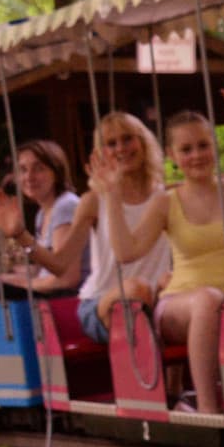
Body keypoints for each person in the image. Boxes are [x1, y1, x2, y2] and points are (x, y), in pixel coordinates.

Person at [96, 110, 224, 413]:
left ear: (214, 146)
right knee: (208, 299)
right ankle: (209, 410)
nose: (196, 155)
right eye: (186, 149)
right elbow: (127, 251)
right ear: (172, 155)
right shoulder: (167, 201)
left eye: (202, 145)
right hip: (180, 304)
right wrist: (112, 196)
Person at [62, 111, 176, 353]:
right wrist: (21, 235)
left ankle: (175, 387)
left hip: (156, 298)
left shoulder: (165, 196)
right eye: (111, 144)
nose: (121, 148)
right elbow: (60, 262)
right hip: (102, 303)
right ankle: (142, 386)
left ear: (143, 141)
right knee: (136, 288)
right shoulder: (93, 201)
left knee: (174, 285)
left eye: (128, 139)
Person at [0, 139, 82, 302]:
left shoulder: (65, 206)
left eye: (39, 168)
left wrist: (24, 284)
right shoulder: (43, 213)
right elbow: (48, 268)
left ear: (57, 172)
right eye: (23, 170)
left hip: (68, 300)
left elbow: (68, 278)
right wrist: (14, 276)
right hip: (51, 294)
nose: (29, 177)